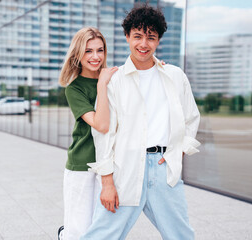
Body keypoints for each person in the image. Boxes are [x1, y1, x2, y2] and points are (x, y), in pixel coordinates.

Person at [81, 5, 201, 240]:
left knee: (181, 235)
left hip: (163, 168)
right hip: (125, 168)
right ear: (127, 37)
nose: (143, 44)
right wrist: (106, 182)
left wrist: (179, 153)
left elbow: (191, 118)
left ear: (158, 40)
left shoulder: (175, 76)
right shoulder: (114, 81)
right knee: (102, 235)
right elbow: (104, 135)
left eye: (151, 37)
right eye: (137, 36)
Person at [58, 27, 118, 240]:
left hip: (110, 164)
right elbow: (100, 125)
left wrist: (158, 68)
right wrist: (102, 84)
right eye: (88, 51)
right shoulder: (74, 89)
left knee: (105, 228)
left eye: (100, 50)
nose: (95, 57)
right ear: (77, 54)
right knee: (78, 230)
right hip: (82, 165)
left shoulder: (116, 79)